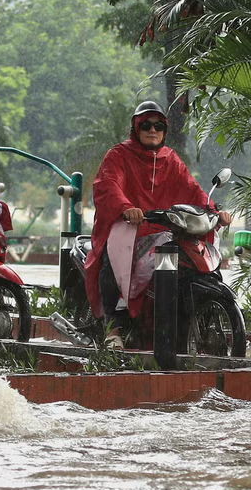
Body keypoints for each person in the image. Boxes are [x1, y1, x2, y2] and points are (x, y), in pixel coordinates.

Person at [84, 100, 232, 349]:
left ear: (165, 129)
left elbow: (192, 190)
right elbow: (108, 184)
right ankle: (113, 327)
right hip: (130, 229)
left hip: (166, 230)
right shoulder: (119, 155)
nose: (152, 130)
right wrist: (125, 208)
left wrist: (215, 211)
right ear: (135, 127)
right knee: (114, 259)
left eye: (159, 125)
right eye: (146, 125)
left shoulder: (170, 159)